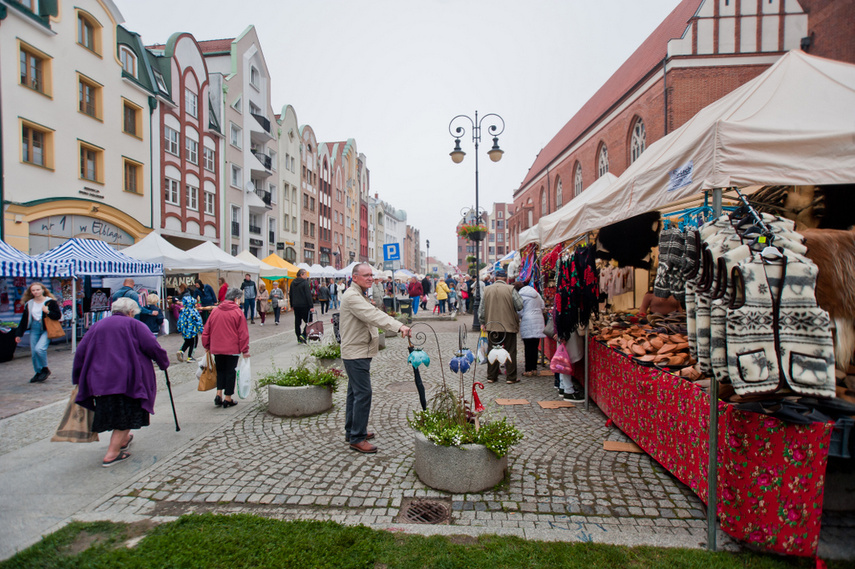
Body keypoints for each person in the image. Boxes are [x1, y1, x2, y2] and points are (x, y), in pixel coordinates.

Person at [72, 297, 169, 467]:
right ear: (131, 312)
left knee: (117, 410)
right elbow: (153, 347)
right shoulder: (135, 325)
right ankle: (112, 453)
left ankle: (123, 440)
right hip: (128, 379)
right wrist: (163, 363)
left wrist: (78, 376)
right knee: (128, 413)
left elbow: (80, 351)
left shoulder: (98, 325)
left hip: (101, 380)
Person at [340, 264, 411, 453]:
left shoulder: (359, 293)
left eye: (371, 275)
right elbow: (372, 315)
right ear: (354, 277)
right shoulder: (353, 296)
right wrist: (398, 326)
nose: (370, 278)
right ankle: (357, 438)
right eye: (366, 275)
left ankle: (352, 430)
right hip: (356, 353)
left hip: (358, 351)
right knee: (363, 394)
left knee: (354, 393)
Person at [201, 287, 250, 409]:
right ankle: (228, 397)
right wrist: (245, 350)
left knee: (220, 370)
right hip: (232, 348)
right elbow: (243, 333)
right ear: (235, 299)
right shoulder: (237, 312)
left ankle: (219, 393)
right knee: (230, 371)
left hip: (217, 347)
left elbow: (206, 330)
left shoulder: (215, 311)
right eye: (239, 299)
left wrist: (207, 345)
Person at [479, 269, 523, 383]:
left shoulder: (487, 289)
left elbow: (482, 309)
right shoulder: (511, 289)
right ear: (506, 279)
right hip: (509, 325)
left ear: (495, 278)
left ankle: (491, 376)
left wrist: (482, 322)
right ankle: (511, 377)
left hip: (492, 325)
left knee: (492, 350)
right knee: (510, 351)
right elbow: (520, 305)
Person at [15, 282, 62, 383]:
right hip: (34, 328)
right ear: (30, 292)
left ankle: (45, 368)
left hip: (47, 328)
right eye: (33, 290)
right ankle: (38, 372)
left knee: (39, 349)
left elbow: (58, 316)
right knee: (33, 353)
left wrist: (47, 311)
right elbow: (24, 320)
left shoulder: (50, 302)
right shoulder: (29, 304)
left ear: (43, 290)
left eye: (38, 289)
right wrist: (19, 334)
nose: (36, 292)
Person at [514, 282, 546, 377]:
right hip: (538, 320)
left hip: (527, 321)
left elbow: (519, 310)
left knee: (528, 347)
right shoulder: (536, 294)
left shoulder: (521, 296)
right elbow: (542, 306)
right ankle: (534, 368)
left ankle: (528, 370)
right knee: (535, 346)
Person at [289, 268, 314, 343]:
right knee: (309, 321)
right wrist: (311, 306)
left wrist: (292, 305)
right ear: (301, 275)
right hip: (304, 305)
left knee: (297, 321)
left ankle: (298, 337)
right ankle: (303, 335)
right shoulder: (305, 282)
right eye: (305, 274)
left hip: (296, 305)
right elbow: (308, 295)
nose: (306, 275)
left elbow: (291, 294)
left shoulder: (293, 282)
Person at [176, 296, 203, 363]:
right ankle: (190, 357)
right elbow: (198, 321)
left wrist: (179, 329)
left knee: (187, 342)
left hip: (184, 330)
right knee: (193, 343)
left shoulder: (183, 311)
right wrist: (201, 330)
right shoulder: (194, 311)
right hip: (192, 331)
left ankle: (181, 351)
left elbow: (179, 321)